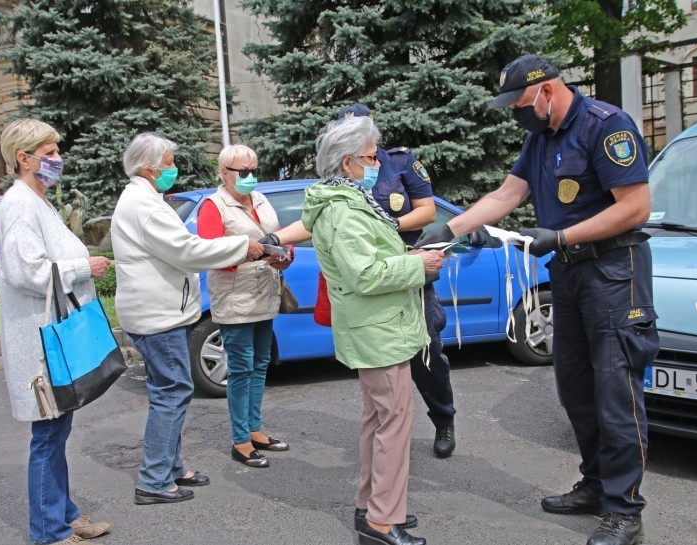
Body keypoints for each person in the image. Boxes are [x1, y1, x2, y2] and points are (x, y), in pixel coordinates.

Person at [417, 55, 657, 545]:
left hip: (615, 272)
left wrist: (563, 236)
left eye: (521, 104)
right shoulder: (540, 137)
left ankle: (624, 511)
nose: (516, 113)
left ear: (547, 90)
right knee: (575, 388)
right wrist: (450, 228)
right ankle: (596, 485)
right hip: (568, 273)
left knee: (616, 393)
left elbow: (635, 207)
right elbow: (506, 195)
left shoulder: (605, 126)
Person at [266, 104, 457, 459]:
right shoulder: (339, 190)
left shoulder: (397, 162)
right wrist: (276, 238)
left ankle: (443, 420)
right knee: (386, 401)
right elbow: (315, 224)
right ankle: (386, 473)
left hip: (410, 274)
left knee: (428, 354)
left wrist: (388, 227)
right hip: (382, 286)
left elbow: (428, 210)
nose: (373, 161)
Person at [303, 115, 441, 545]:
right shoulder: (343, 209)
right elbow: (365, 274)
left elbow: (373, 259)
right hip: (378, 330)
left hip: (378, 327)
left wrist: (412, 259)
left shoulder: (349, 200)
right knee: (393, 424)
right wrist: (419, 264)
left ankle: (373, 507)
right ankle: (382, 520)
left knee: (379, 420)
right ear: (347, 163)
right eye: (370, 157)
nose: (377, 163)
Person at [111, 133, 264, 505]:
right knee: (172, 392)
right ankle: (154, 480)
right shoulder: (143, 205)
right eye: (169, 163)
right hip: (158, 316)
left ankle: (170, 466)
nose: (174, 168)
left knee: (169, 391)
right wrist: (242, 246)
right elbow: (187, 251)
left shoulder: (145, 198)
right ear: (149, 167)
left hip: (161, 311)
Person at [0, 119, 112, 545]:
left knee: (57, 431)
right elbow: (24, 270)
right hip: (40, 342)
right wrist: (84, 267)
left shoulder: (36, 200)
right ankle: (49, 531)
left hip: (51, 336)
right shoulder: (19, 204)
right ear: (23, 159)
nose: (58, 159)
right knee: (47, 436)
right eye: (49, 153)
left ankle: (64, 514)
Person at [197, 144, 293, 469]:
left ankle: (254, 430)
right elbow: (209, 253)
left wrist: (285, 256)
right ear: (224, 173)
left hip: (265, 294)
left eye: (254, 170)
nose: (250, 176)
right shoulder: (213, 206)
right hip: (235, 299)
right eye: (243, 171)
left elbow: (279, 236)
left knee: (261, 363)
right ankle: (240, 440)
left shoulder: (261, 199)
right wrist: (247, 251)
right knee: (240, 368)